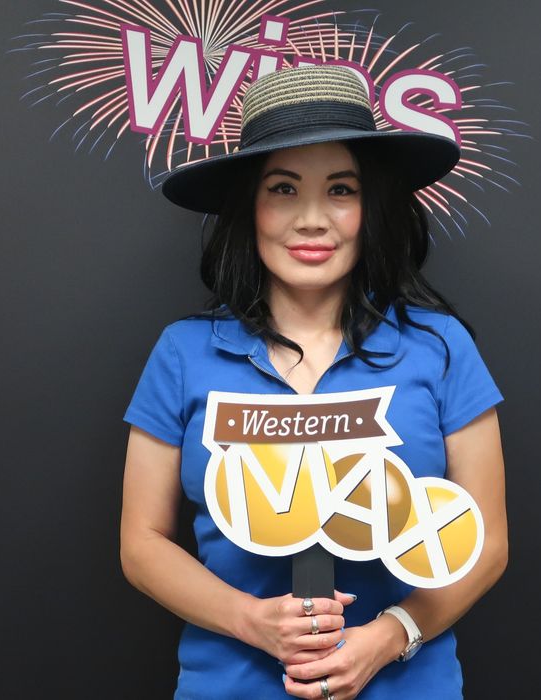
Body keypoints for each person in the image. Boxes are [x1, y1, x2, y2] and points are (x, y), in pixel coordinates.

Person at [120, 64, 508, 699]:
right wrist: (254, 623)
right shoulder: (183, 352)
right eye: (281, 188)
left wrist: (389, 636)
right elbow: (141, 541)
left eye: (341, 189)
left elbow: (487, 541)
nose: (310, 219)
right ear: (249, 207)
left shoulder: (439, 348)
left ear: (372, 206)